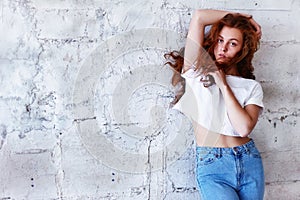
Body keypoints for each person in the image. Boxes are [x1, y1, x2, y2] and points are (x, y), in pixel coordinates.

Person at [165, 9, 265, 200]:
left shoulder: (252, 87)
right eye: (220, 40)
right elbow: (199, 17)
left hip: (249, 161)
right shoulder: (195, 73)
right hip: (213, 165)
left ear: (243, 49)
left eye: (232, 43)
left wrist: (223, 85)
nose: (223, 48)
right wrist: (243, 17)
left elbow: (243, 128)